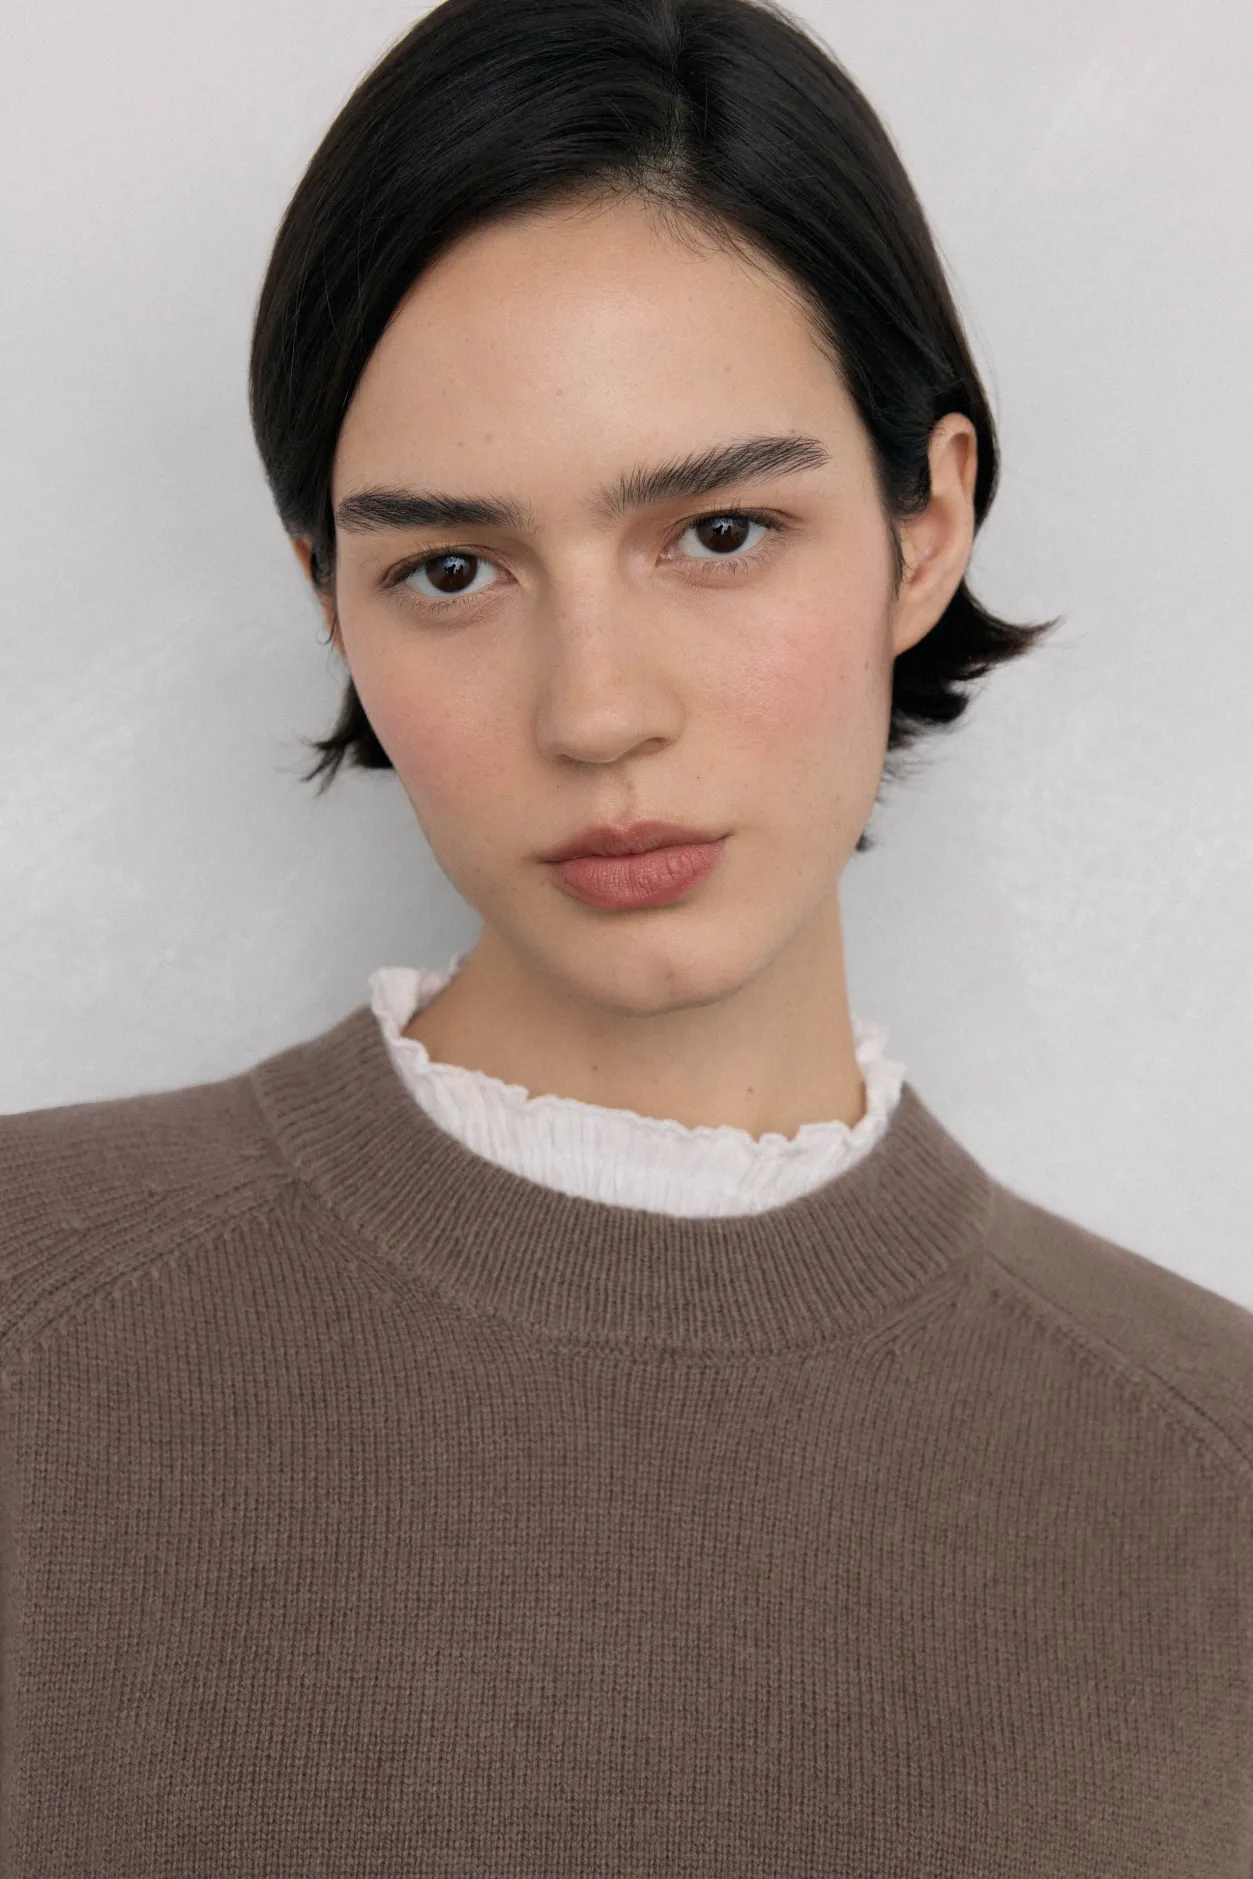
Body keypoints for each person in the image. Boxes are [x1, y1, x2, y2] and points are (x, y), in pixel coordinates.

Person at [2, 0, 1250, 1870]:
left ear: (927, 523)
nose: (597, 712)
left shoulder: (1212, 1473)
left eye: (720, 533)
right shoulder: (32, 1310)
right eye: (451, 569)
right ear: (332, 600)